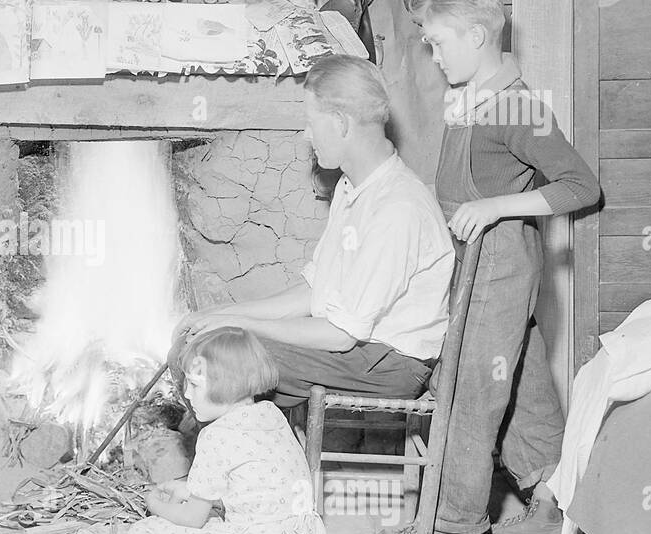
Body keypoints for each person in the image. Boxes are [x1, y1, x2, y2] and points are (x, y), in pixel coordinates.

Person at [375, 0, 601, 534]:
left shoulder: (519, 106)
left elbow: (581, 186)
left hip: (498, 260)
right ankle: (555, 504)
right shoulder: (470, 100)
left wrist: (497, 206)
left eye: (439, 41)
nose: (432, 52)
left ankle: (452, 525)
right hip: (473, 255)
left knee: (469, 389)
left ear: (477, 35)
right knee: (522, 381)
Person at [172, 55, 454, 411]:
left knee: (219, 359)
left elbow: (340, 335)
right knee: (203, 340)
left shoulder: (398, 209)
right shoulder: (353, 188)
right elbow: (313, 289)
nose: (307, 135)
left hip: (386, 364)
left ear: (339, 123)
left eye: (311, 123)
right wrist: (224, 313)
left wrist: (238, 325)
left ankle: (241, 460)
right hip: (357, 349)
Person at [116, 327, 326, 534]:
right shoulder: (270, 415)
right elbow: (245, 483)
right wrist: (184, 488)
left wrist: (153, 503)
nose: (186, 393)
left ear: (226, 386)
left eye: (195, 384)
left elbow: (192, 519)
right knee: (216, 528)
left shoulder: (216, 436)